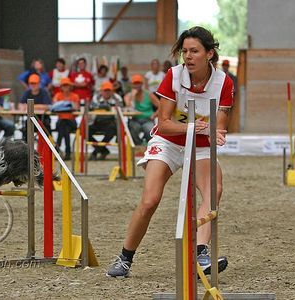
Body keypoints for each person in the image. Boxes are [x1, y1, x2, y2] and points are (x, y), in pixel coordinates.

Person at [106, 26, 234, 278]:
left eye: (194, 51)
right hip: (169, 140)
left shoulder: (223, 82)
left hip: (200, 144)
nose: (188, 56)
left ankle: (200, 253)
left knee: (214, 187)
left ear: (209, 54)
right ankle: (124, 258)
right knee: (150, 200)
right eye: (185, 51)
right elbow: (164, 122)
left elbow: (220, 125)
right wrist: (191, 126)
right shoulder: (174, 76)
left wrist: (216, 132)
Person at [88, 81, 122, 161]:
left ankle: (95, 152)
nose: (107, 92)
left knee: (113, 129)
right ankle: (103, 150)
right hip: (97, 121)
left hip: (110, 121)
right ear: (101, 91)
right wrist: (107, 107)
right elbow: (92, 107)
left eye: (109, 90)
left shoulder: (117, 97)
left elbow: (120, 109)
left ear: (112, 91)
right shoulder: (96, 97)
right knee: (84, 131)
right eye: (105, 90)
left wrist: (105, 107)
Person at [124, 74, 158, 145]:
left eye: (138, 83)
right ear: (131, 85)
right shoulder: (128, 96)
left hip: (148, 119)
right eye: (135, 83)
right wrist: (133, 96)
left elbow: (161, 106)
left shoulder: (149, 94)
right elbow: (129, 108)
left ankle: (148, 147)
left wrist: (154, 115)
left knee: (149, 130)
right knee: (133, 129)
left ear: (142, 84)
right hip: (135, 120)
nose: (137, 85)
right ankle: (139, 146)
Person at [52, 77, 80, 160]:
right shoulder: (58, 95)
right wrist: (68, 104)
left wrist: (61, 104)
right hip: (62, 121)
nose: (66, 87)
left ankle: (57, 149)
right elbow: (54, 106)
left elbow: (76, 107)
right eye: (64, 86)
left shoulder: (75, 96)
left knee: (63, 126)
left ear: (70, 86)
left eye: (67, 85)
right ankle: (67, 151)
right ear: (61, 87)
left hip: (71, 120)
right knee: (65, 128)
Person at [19, 74, 52, 140]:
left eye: (35, 83)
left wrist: (30, 106)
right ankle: (26, 146)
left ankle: (47, 148)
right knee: (26, 125)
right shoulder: (27, 92)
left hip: (43, 119)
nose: (33, 85)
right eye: (31, 83)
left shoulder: (44, 92)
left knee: (46, 127)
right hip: (30, 119)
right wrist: (39, 106)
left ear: (39, 83)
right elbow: (20, 105)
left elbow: (47, 106)